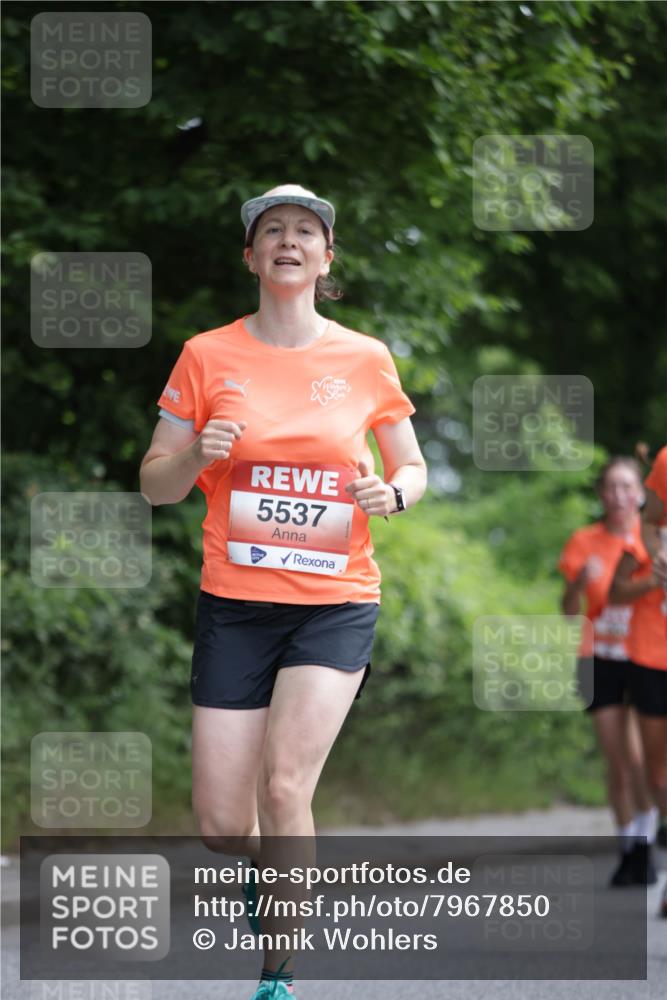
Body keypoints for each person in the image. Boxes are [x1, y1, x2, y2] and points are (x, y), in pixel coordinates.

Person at [139, 184, 428, 998]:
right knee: (226, 828)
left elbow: (412, 464)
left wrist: (394, 494)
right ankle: (260, 865)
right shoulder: (206, 355)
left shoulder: (364, 357)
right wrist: (196, 455)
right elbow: (154, 485)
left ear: (326, 257)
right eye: (273, 232)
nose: (289, 241)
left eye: (306, 231)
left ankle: (277, 978)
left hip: (335, 603)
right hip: (235, 604)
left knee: (285, 784)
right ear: (252, 257)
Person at [559, 457, 656, 887]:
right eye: (611, 487)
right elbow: (567, 612)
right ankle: (628, 844)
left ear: (641, 493)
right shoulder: (584, 540)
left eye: (627, 487)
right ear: (601, 493)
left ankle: (646, 844)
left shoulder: (652, 538)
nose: (619, 495)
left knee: (641, 760)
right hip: (597, 658)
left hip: (644, 656)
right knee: (616, 759)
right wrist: (579, 584)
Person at [610, 444, 667, 916]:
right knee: (657, 772)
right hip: (652, 651)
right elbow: (649, 526)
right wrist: (657, 566)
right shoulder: (666, 461)